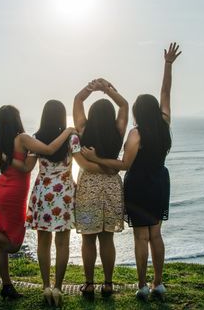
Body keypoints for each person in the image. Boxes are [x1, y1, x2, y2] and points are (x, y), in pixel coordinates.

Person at [0, 71, 74, 300]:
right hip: (14, 195)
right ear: (16, 120)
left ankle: (7, 286)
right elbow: (46, 152)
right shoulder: (23, 139)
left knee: (0, 239)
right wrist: (67, 130)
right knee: (14, 244)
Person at [81, 43, 181, 300]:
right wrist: (168, 65)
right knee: (156, 234)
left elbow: (124, 165)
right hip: (159, 180)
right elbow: (166, 93)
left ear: (138, 112)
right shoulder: (164, 124)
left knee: (141, 237)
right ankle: (158, 283)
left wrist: (96, 157)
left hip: (138, 184)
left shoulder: (136, 134)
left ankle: (142, 286)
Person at [9, 99, 111, 306]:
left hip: (43, 192)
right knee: (62, 243)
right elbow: (84, 164)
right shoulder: (71, 139)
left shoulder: (36, 139)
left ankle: (46, 285)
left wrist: (3, 157)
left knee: (43, 243)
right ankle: (58, 287)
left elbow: (27, 167)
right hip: (64, 193)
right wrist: (109, 167)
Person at [72, 78, 128, 298]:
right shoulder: (118, 131)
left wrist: (90, 88)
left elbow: (77, 100)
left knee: (88, 237)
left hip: (88, 188)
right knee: (107, 238)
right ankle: (108, 284)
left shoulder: (83, 129)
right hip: (112, 187)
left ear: (92, 114)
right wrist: (107, 90)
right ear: (110, 116)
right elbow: (124, 105)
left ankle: (88, 284)